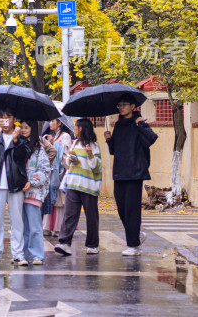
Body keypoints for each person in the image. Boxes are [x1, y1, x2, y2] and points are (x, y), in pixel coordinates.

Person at [105, 93, 158, 256]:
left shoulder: (138, 122)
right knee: (121, 208)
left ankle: (133, 245)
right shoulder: (119, 125)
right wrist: (108, 139)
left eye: (124, 105)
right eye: (119, 105)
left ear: (133, 106)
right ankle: (137, 235)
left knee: (132, 210)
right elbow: (114, 150)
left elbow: (151, 138)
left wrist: (141, 124)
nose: (121, 108)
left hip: (135, 172)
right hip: (120, 172)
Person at [0, 109, 31, 266]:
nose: (5, 121)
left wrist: (16, 140)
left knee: (17, 222)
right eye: (1, 118)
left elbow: (24, 156)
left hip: (15, 184)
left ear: (14, 119)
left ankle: (18, 254)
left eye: (7, 117)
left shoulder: (21, 139)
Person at [55, 118, 103, 256]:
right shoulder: (75, 143)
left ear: (81, 128)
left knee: (91, 217)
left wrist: (89, 154)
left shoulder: (94, 146)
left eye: (75, 128)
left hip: (89, 186)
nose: (74, 130)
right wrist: (70, 160)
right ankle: (64, 243)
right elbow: (71, 164)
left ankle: (93, 245)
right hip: (73, 184)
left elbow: (96, 167)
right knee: (69, 214)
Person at [20, 121, 55, 266]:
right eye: (21, 127)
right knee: (22, 227)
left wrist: (31, 182)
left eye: (26, 128)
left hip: (34, 194)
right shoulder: (18, 147)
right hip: (20, 194)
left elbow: (45, 171)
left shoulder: (39, 150)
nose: (23, 130)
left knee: (35, 227)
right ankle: (22, 254)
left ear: (33, 130)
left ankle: (37, 255)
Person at [42, 119, 73, 237]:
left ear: (59, 123)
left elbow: (65, 154)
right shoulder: (55, 135)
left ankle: (59, 227)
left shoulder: (65, 136)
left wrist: (54, 144)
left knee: (60, 201)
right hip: (53, 171)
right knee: (50, 198)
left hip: (61, 172)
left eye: (52, 121)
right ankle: (48, 226)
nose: (50, 123)